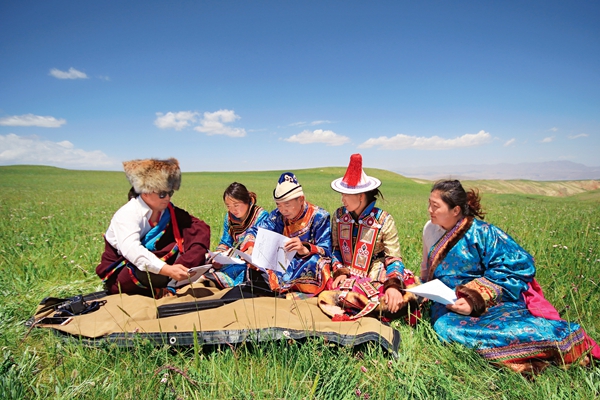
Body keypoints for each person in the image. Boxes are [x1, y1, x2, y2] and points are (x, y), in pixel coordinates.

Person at [422, 179, 599, 373]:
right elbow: (427, 268)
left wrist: (474, 298)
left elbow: (517, 265)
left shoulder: (484, 233)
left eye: (435, 206)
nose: (429, 209)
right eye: (429, 203)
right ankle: (527, 363)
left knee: (521, 330)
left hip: (492, 302)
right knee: (445, 328)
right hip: (448, 302)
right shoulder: (429, 229)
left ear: (455, 210)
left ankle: (562, 347)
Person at [323, 154, 420, 320]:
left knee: (405, 289)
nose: (342, 199)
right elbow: (336, 249)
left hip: (376, 273)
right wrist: (339, 270)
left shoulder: (383, 220)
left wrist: (393, 285)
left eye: (346, 194)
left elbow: (393, 258)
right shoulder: (339, 216)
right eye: (342, 194)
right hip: (348, 273)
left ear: (361, 196)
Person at [96, 158, 210, 298]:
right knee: (144, 271)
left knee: (194, 239)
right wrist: (167, 269)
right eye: (162, 194)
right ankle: (168, 284)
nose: (167, 197)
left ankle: (172, 282)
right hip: (126, 268)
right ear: (145, 191)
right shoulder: (127, 214)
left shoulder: (169, 211)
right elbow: (132, 250)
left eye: (170, 193)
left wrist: (191, 257)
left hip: (162, 265)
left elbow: (198, 228)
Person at [245, 172, 332, 294]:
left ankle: (286, 288)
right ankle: (277, 287)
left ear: (301, 199)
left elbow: (327, 251)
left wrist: (305, 248)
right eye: (278, 205)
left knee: (318, 263)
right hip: (281, 263)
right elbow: (256, 231)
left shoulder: (319, 216)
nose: (283, 210)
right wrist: (251, 246)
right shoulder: (278, 215)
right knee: (255, 266)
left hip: (305, 262)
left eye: (287, 204)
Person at [202, 182, 269, 288]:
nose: (232, 210)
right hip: (235, 258)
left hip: (253, 262)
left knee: (243, 275)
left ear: (246, 201)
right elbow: (225, 242)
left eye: (236, 205)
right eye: (228, 206)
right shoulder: (229, 218)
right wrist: (218, 256)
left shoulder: (261, 216)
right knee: (206, 261)